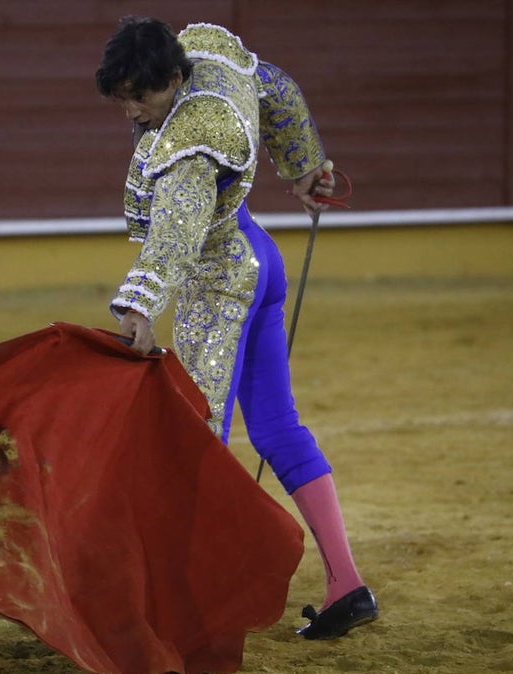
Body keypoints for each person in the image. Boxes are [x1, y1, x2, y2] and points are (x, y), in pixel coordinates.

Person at [95, 17, 378, 639]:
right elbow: (274, 85)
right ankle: (346, 585)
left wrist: (140, 305)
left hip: (219, 283)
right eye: (123, 99)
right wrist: (303, 165)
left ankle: (196, 606)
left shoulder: (190, 144)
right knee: (278, 427)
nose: (132, 113)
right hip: (260, 260)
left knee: (200, 440)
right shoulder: (209, 59)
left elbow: (174, 233)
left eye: (140, 98)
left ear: (173, 78)